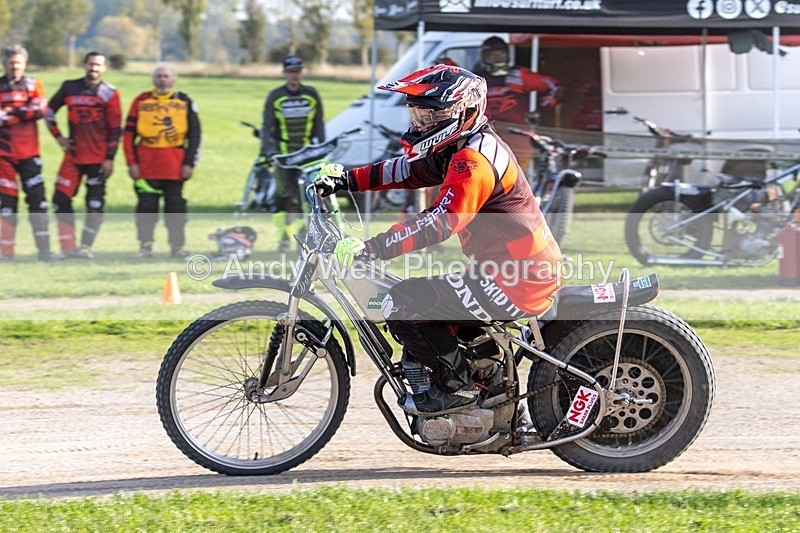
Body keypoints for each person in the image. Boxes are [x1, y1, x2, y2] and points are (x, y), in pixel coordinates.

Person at [313, 65, 561, 414]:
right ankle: (489, 390)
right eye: (417, 114)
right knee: (431, 307)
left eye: (431, 115)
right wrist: (348, 179)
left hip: (517, 280)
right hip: (508, 271)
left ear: (465, 112)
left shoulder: (473, 160)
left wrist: (372, 248)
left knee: (402, 302)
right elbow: (408, 171)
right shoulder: (461, 145)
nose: (421, 123)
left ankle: (458, 391)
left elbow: (440, 223)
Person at [46, 51, 122, 259]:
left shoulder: (110, 93)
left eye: (98, 65)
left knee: (94, 205)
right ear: (84, 65)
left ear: (104, 68)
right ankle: (67, 248)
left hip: (98, 159)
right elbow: (48, 111)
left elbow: (116, 129)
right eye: (90, 64)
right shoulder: (69, 87)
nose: (94, 68)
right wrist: (58, 137)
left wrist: (110, 158)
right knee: (60, 199)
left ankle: (86, 247)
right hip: (73, 156)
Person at [123, 65, 201, 258]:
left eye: (166, 76)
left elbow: (195, 135)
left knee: (175, 208)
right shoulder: (141, 100)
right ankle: (145, 246)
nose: (162, 80)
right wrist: (131, 162)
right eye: (158, 76)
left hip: (174, 166)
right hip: (146, 166)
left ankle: (177, 247)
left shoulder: (184, 101)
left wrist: (189, 163)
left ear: (173, 79)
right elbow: (128, 135)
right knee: (146, 208)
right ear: (153, 79)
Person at [260, 55, 325, 253]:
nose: (294, 75)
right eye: (290, 72)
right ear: (284, 73)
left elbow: (319, 124)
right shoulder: (275, 96)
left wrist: (322, 147)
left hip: (307, 157)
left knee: (309, 197)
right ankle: (283, 238)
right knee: (283, 199)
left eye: (297, 71)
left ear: (301, 72)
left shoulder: (311, 94)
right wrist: (268, 151)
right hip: (284, 157)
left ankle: (305, 237)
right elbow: (267, 127)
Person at [0, 44, 53, 262]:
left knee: (38, 203)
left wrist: (11, 111)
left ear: (25, 64)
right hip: (3, 156)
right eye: (11, 63)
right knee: (7, 206)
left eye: (18, 63)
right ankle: (6, 253)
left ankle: (45, 252)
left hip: (30, 154)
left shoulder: (34, 83)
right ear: (4, 64)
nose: (15, 67)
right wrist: (23, 113)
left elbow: (40, 110)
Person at [473, 36, 561, 168]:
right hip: (486, 139)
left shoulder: (519, 75)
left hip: (519, 139)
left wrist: (539, 110)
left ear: (508, 55)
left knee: (520, 176)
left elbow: (554, 87)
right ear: (484, 57)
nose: (498, 58)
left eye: (501, 54)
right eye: (492, 55)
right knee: (488, 175)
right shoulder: (476, 79)